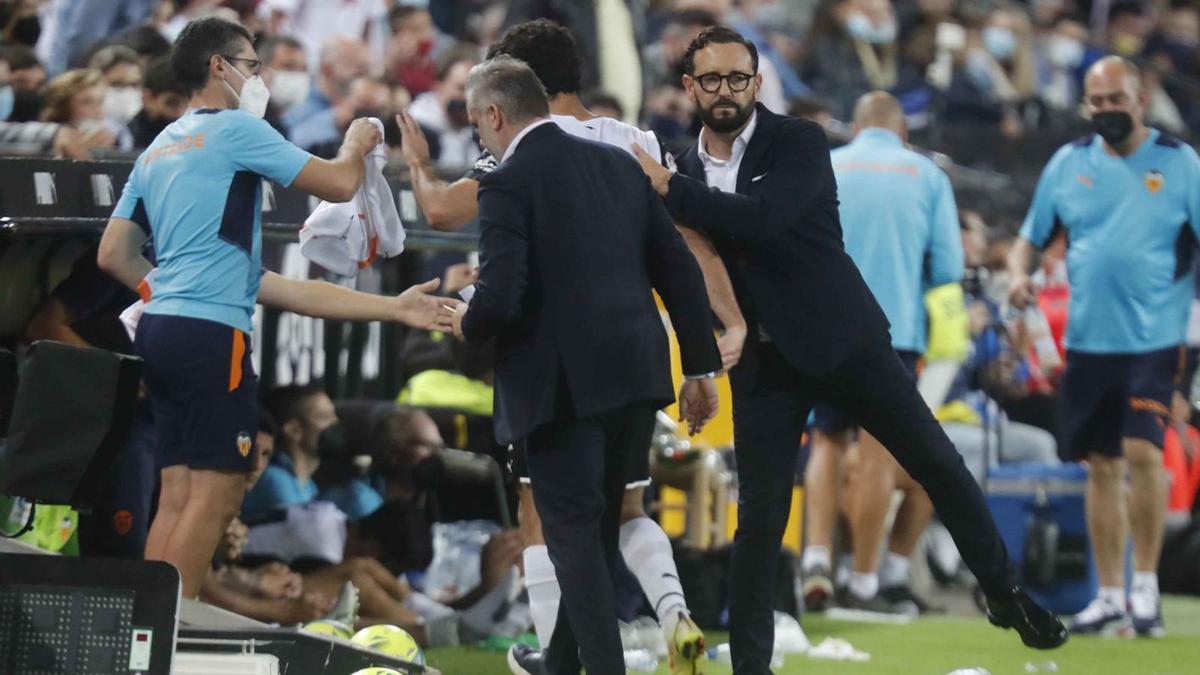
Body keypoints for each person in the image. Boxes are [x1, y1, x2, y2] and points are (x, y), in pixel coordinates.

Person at [631, 26, 1066, 672]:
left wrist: (665, 188)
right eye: (712, 79)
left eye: (738, 77)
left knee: (938, 463)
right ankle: (752, 664)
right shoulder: (684, 167)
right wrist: (704, 352)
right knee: (760, 520)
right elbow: (693, 272)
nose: (727, 91)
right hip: (764, 361)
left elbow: (760, 219)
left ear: (757, 82)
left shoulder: (797, 142)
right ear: (690, 86)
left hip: (844, 341)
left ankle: (1005, 592)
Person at [395, 20, 745, 674]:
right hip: (637, 373)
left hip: (559, 384)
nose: (477, 135)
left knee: (572, 538)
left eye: (476, 125)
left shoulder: (504, 178)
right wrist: (700, 364)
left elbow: (501, 294)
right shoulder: (627, 158)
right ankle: (563, 661)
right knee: (606, 525)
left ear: (496, 113)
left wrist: (460, 319)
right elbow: (677, 264)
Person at [95, 17, 450, 599]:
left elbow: (114, 253)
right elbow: (337, 185)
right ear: (219, 67)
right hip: (210, 335)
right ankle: (171, 633)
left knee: (180, 488)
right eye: (252, 64)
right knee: (216, 490)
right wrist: (356, 145)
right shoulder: (235, 128)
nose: (260, 76)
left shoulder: (161, 145)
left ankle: (147, 632)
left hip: (163, 330)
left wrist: (392, 308)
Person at [1007, 56, 1200, 638]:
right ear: (1086, 104)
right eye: (1098, 102)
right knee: (1102, 466)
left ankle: (1146, 586)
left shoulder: (1180, 162)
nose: (1108, 111)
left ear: (1141, 97)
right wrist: (1018, 274)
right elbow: (1028, 239)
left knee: (1144, 455)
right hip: (1089, 342)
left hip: (1157, 338)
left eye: (1117, 99)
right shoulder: (1070, 163)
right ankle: (1109, 593)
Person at [801, 90, 964, 614]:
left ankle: (816, 559)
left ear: (858, 126)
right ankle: (866, 580)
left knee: (825, 441)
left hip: (824, 324)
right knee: (877, 453)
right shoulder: (927, 176)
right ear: (902, 131)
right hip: (893, 330)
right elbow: (947, 269)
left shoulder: (825, 165)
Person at [126, 56, 189, 149]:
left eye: (190, 104)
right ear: (147, 98)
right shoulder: (126, 140)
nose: (181, 112)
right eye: (173, 103)